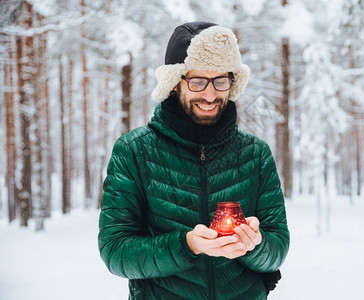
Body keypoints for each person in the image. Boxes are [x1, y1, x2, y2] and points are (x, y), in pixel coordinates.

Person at [98, 21, 289, 300]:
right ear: (175, 83)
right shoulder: (134, 151)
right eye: (197, 81)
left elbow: (278, 248)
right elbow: (115, 251)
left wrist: (256, 246)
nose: (210, 95)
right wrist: (187, 245)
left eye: (220, 81)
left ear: (232, 82)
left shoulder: (256, 154)